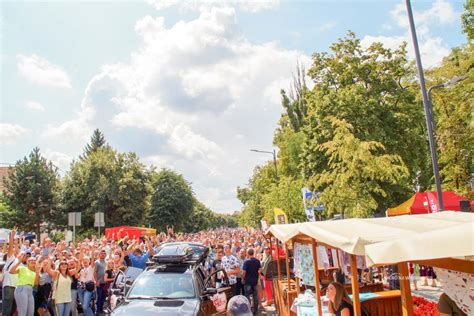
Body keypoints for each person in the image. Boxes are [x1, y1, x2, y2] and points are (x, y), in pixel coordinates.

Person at [9, 252, 42, 316]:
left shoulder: (35, 272)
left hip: (30, 290)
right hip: (22, 289)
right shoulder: (23, 268)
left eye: (34, 260)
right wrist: (19, 262)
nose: (33, 261)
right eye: (30, 260)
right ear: (27, 262)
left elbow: (35, 283)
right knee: (22, 312)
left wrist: (37, 272)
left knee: (30, 313)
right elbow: (11, 271)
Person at [3, 227, 18, 316]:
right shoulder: (11, 258)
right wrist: (12, 236)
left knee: (13, 309)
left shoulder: (20, 262)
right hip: (9, 285)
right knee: (7, 308)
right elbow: (11, 247)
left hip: (17, 287)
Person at [242, 248, 261, 315]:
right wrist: (258, 279)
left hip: (248, 281)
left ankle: (249, 310)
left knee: (247, 296)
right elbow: (259, 271)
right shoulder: (257, 261)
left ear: (248, 253)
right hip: (255, 281)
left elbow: (244, 272)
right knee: (255, 296)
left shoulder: (246, 261)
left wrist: (242, 279)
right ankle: (255, 311)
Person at [94, 249, 107, 315]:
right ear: (99, 254)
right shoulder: (97, 262)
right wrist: (96, 281)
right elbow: (95, 272)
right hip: (99, 283)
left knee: (103, 297)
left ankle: (101, 310)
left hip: (105, 283)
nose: (103, 254)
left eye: (104, 253)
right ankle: (97, 311)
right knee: (99, 297)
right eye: (101, 253)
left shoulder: (106, 262)